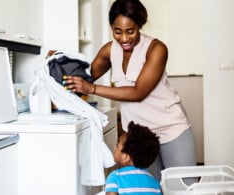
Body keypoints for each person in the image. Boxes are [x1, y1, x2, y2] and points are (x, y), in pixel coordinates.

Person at [63, 0, 197, 181]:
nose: (124, 39)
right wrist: (60, 61)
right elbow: (84, 78)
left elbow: (138, 92)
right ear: (112, 27)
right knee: (147, 189)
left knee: (183, 189)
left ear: (139, 26)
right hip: (139, 137)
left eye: (130, 31)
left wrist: (92, 89)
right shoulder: (109, 51)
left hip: (171, 129)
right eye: (117, 31)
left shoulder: (156, 49)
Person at [105, 121, 161, 195]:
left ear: (125, 157)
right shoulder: (155, 183)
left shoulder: (115, 177)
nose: (115, 148)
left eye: (117, 145)